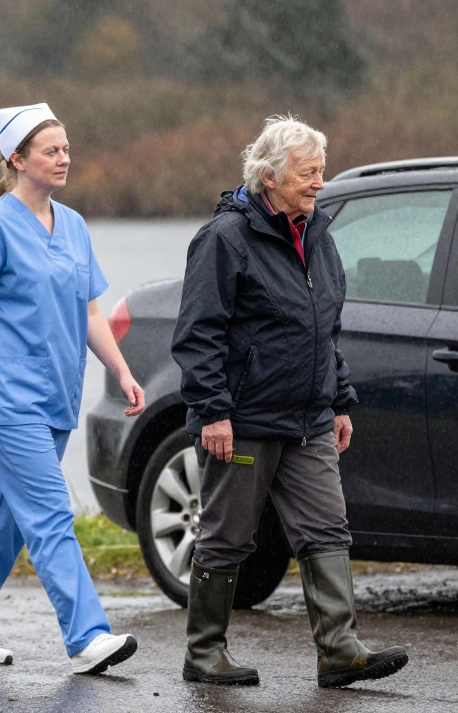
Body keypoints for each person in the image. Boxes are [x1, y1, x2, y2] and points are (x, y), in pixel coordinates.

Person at [172, 114, 408, 688]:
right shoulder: (224, 239)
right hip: (245, 420)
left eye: (321, 171)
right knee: (228, 536)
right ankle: (204, 653)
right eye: (308, 173)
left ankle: (340, 651)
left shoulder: (318, 233)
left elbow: (324, 328)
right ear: (269, 176)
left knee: (327, 529)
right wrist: (213, 411)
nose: (319, 183)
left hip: (308, 419)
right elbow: (198, 334)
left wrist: (340, 401)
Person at [0, 103, 146, 675]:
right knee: (50, 513)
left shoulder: (72, 225)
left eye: (67, 148)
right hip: (6, 400)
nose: (64, 158)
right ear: (16, 159)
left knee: (9, 513)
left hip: (56, 398)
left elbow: (91, 311)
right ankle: (87, 636)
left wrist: (122, 370)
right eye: (51, 150)